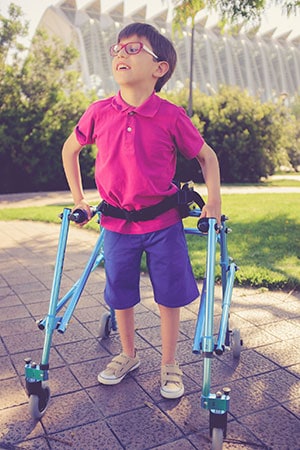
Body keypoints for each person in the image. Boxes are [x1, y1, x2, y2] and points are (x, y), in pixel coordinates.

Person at [62, 22, 221, 399]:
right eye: (117, 49)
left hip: (163, 223)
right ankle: (128, 354)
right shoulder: (99, 112)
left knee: (169, 294)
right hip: (117, 223)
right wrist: (79, 200)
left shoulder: (170, 115)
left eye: (132, 48)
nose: (120, 53)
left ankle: (170, 362)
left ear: (159, 68)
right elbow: (70, 150)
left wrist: (212, 203)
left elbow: (206, 157)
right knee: (120, 292)